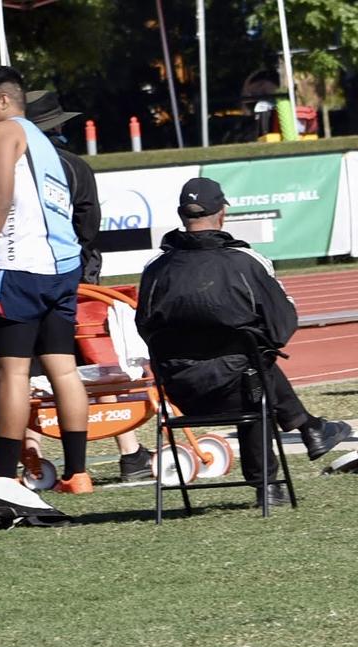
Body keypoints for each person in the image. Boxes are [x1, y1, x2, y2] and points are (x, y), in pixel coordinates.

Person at [136, 177, 352, 506]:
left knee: (251, 364)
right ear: (222, 213)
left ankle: (307, 432)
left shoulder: (155, 270)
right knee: (255, 364)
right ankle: (281, 468)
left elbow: (144, 327)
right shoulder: (245, 262)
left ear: (182, 216)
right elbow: (282, 325)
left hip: (181, 392)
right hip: (239, 389)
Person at [0, 66, 91, 494]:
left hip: (20, 267)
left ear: (1, 100)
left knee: (12, 374)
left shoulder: (3, 132)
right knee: (64, 371)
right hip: (62, 267)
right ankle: (78, 473)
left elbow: (0, 199)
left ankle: (4, 477)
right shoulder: (44, 144)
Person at [24, 89, 153, 483]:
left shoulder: (12, 165)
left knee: (28, 369)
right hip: (74, 277)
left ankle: (31, 456)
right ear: (58, 126)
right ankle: (130, 455)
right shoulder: (74, 167)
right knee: (98, 364)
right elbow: (88, 228)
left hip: (23, 277)